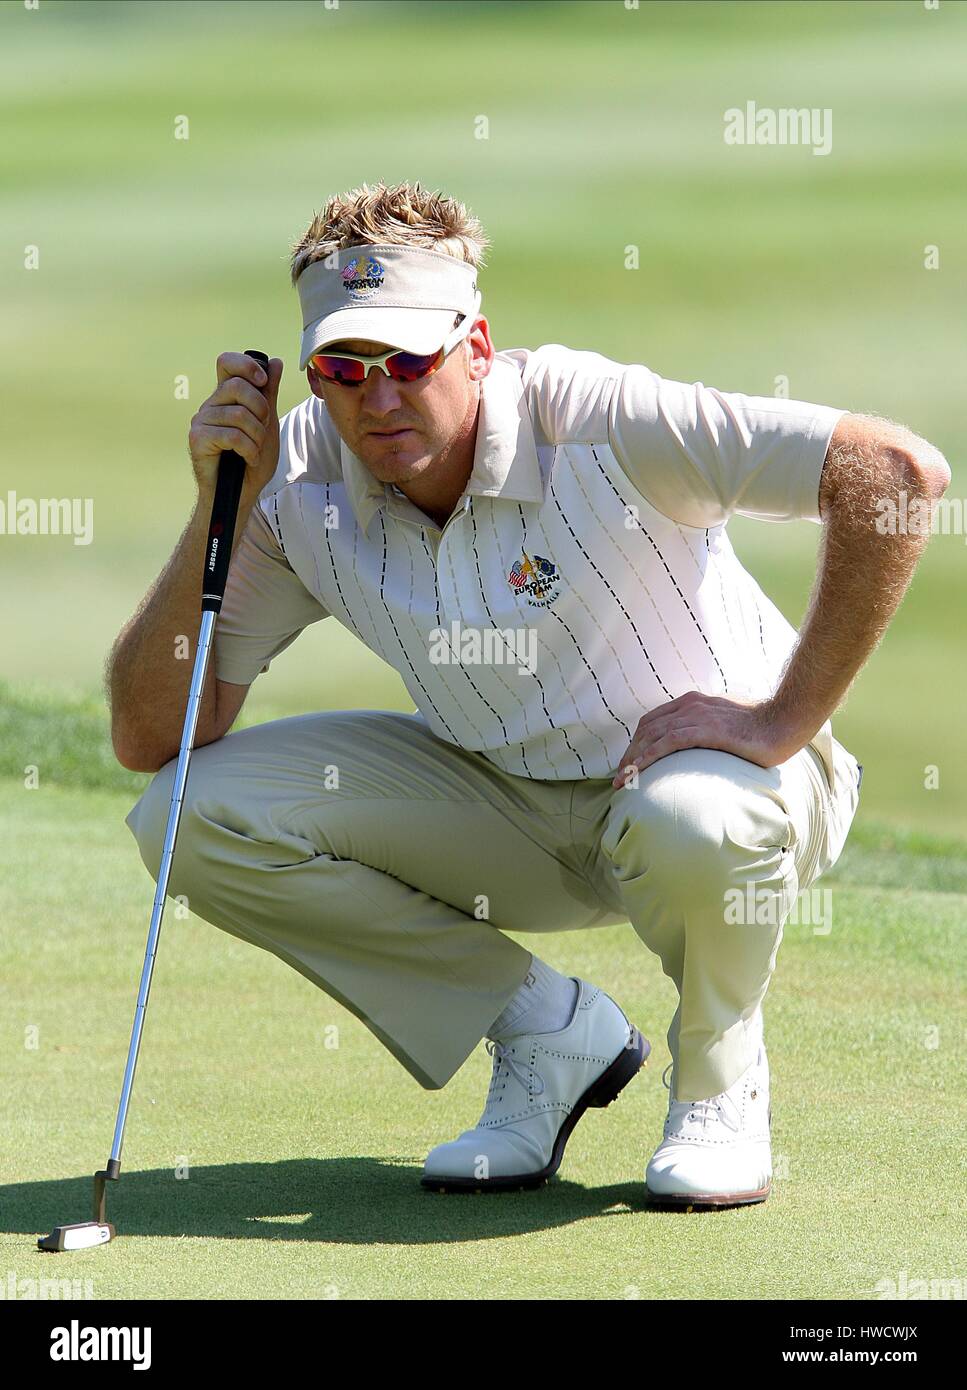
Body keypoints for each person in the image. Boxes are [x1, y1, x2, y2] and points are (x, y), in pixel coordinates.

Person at [109, 180, 950, 1206]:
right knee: (183, 814)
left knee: (686, 815)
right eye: (345, 367)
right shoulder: (292, 479)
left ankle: (720, 1084)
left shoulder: (600, 418)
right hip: (511, 804)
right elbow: (157, 731)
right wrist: (215, 509)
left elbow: (893, 472)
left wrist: (780, 719)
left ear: (474, 344)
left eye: (410, 361)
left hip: (730, 789)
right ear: (313, 376)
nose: (379, 400)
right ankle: (549, 1035)